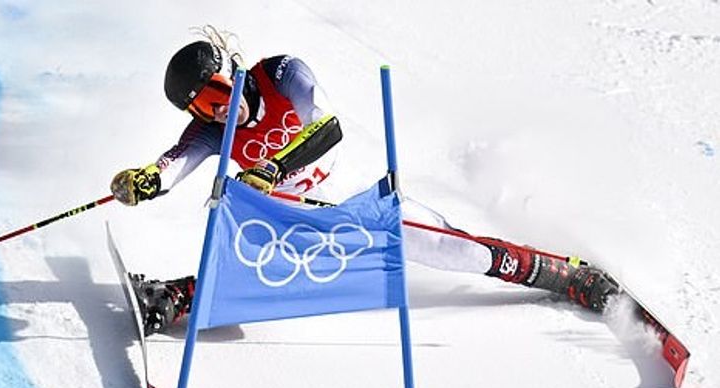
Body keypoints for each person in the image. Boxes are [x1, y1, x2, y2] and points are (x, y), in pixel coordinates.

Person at [110, 34, 619, 334]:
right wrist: (144, 181)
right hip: (299, 220)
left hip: (359, 196)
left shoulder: (281, 74)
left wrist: (273, 167)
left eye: (216, 92)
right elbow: (173, 164)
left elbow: (327, 129)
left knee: (452, 250)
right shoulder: (210, 130)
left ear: (231, 72)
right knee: (250, 248)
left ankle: (562, 275)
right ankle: (175, 298)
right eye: (200, 106)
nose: (217, 109)